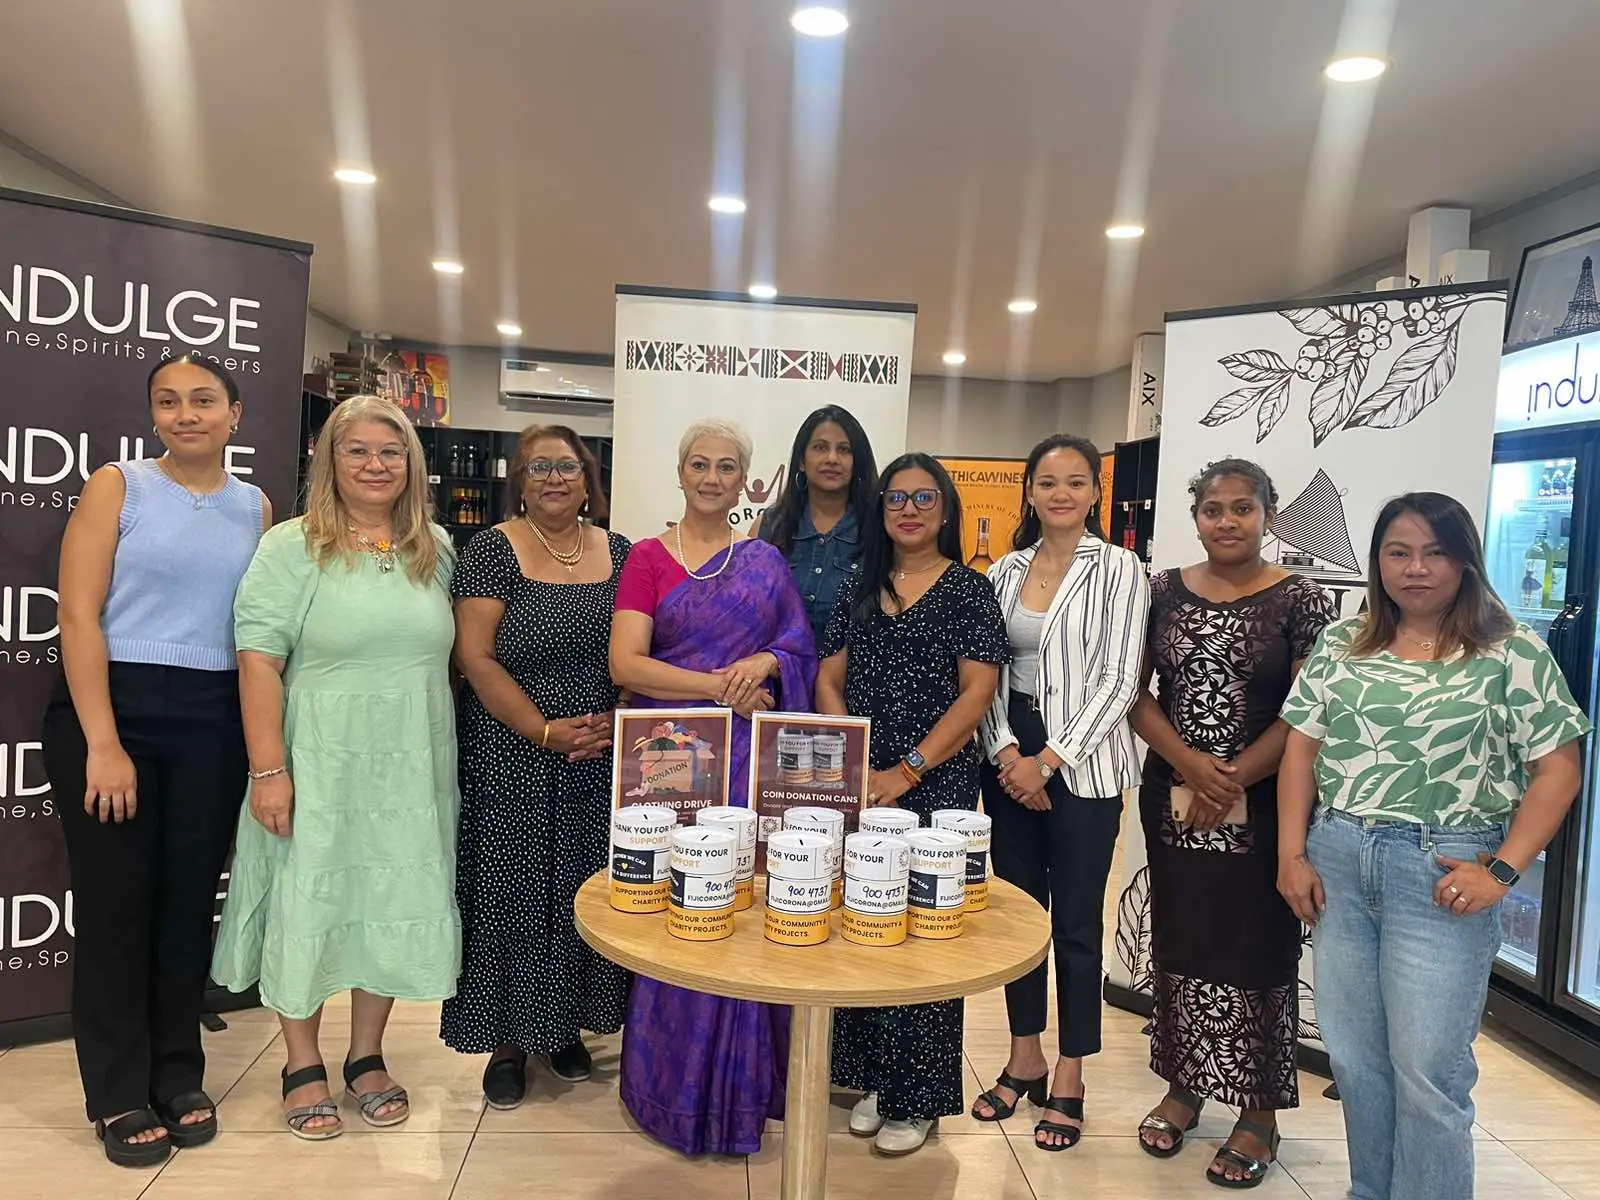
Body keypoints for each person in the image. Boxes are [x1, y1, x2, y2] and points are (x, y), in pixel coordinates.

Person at [1279, 492, 1588, 1200]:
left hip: (1444, 868)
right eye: (1398, 552)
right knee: (1355, 1060)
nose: (1416, 569)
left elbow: (1560, 768)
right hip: (1341, 860)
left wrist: (1503, 871)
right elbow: (1301, 750)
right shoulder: (1342, 643)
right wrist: (1290, 854)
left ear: (1464, 560)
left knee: (1429, 1073)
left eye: (1435, 552)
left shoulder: (1510, 651)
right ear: (1378, 563)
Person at [211, 394, 460, 1142]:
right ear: (330, 461)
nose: (376, 465)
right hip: (318, 759)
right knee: (309, 904)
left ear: (411, 465)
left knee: (390, 901)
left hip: (413, 765)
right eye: (358, 450)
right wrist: (268, 770)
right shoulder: (293, 547)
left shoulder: (435, 549)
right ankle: (300, 1064)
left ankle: (366, 1056)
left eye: (392, 451)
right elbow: (257, 662)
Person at [43, 356, 268, 1167]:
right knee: (116, 910)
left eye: (203, 400)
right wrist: (103, 742)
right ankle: (116, 1093)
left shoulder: (255, 507)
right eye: (167, 402)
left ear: (234, 414)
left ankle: (178, 1074)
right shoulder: (119, 484)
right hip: (116, 711)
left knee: (184, 910)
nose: (185, 415)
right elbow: (77, 614)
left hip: (211, 719)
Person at [609, 418, 816, 1156]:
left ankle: (750, 1091)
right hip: (670, 761)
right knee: (681, 915)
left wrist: (763, 665)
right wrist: (719, 688)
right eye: (699, 463)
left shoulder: (763, 560)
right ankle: (675, 1094)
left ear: (743, 480)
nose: (711, 477)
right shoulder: (646, 559)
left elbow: (797, 648)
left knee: (744, 913)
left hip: (749, 765)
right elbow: (627, 665)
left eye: (726, 467)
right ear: (680, 470)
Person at [1129, 459, 1336, 1188]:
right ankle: (1184, 1088)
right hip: (1176, 802)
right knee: (1182, 940)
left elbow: (1311, 708)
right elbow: (1133, 693)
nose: (1226, 521)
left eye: (1242, 508)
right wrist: (1191, 765)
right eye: (1213, 509)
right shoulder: (1162, 593)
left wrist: (1238, 773)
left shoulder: (1303, 600)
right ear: (1195, 519)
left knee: (1257, 947)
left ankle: (1257, 1114)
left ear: (1269, 516)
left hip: (1267, 808)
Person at [817, 453, 1009, 1157]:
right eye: (897, 498)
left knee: (926, 941)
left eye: (924, 497)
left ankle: (917, 1096)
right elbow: (827, 675)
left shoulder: (968, 591)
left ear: (946, 508)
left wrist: (908, 768)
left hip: (938, 787)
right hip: (866, 782)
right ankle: (873, 1079)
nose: (910, 509)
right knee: (868, 925)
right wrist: (855, 759)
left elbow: (976, 692)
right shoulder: (860, 586)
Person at [441, 425, 631, 1108]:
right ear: (519, 481)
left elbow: (638, 648)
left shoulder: (621, 551)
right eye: (538, 467)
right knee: (513, 895)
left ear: (588, 477)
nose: (554, 477)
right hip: (511, 752)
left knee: (583, 891)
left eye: (567, 466)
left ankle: (564, 1029)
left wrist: (620, 716)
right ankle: (508, 1042)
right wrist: (544, 730)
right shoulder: (492, 550)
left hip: (600, 756)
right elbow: (476, 657)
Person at [972, 434, 1148, 1152]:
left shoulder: (1121, 569)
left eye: (1076, 482)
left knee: (1075, 923)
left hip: (1083, 763)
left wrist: (1047, 761)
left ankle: (1071, 1074)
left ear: (1096, 493)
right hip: (1009, 751)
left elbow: (1120, 678)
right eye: (1048, 482)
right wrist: (1008, 751)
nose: (1062, 494)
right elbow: (982, 672)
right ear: (1029, 492)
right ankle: (1025, 1057)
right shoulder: (1003, 572)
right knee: (1019, 920)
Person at [755, 404, 879, 642]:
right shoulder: (769, 526)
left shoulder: (878, 530)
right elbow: (750, 613)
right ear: (802, 460)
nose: (831, 458)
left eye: (844, 450)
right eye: (820, 448)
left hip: (851, 677)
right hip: (779, 675)